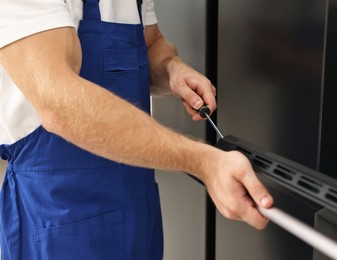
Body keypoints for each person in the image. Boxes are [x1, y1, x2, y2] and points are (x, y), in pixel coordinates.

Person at [0, 0, 273, 259]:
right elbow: (58, 103)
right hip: (59, 219)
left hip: (136, 208)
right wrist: (201, 161)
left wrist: (172, 70)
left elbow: (152, 43)